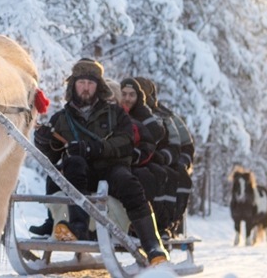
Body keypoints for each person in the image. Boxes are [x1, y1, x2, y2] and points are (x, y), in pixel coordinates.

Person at [34, 59, 169, 265]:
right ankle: (77, 227)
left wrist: (93, 148)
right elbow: (52, 158)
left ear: (99, 86)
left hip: (112, 169)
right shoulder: (61, 118)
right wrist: (43, 142)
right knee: (73, 164)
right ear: (73, 85)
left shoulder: (116, 114)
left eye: (91, 83)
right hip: (79, 174)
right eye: (81, 83)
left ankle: (152, 246)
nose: (86, 88)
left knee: (129, 184)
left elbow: (125, 143)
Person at [119, 78, 180, 239]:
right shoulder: (116, 111)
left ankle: (161, 225)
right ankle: (138, 226)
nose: (127, 98)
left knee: (164, 175)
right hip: (123, 161)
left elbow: (157, 134)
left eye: (132, 95)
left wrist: (162, 157)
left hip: (144, 159)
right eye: (124, 94)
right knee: (146, 177)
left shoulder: (146, 112)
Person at [136, 77, 195, 238]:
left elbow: (184, 143)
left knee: (178, 178)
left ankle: (170, 222)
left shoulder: (166, 116)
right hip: (143, 161)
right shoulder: (126, 112)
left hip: (166, 160)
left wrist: (180, 161)